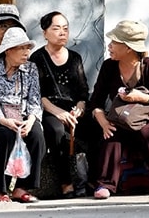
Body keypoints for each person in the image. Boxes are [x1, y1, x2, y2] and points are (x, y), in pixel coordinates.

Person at [89, 20, 149, 199]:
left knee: (147, 131)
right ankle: (105, 185)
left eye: (114, 42)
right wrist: (103, 121)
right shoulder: (109, 66)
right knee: (112, 133)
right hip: (121, 119)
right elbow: (96, 101)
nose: (109, 46)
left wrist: (144, 98)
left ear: (129, 48)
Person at [29, 11, 90, 198]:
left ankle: (96, 179)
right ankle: (66, 182)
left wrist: (79, 109)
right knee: (55, 131)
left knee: (95, 127)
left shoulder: (75, 58)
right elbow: (38, 94)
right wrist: (59, 114)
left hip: (73, 109)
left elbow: (82, 91)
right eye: (56, 28)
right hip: (49, 109)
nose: (62, 32)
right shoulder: (37, 58)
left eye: (65, 28)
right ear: (44, 33)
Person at [0, 27, 45, 203]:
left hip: (24, 115)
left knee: (37, 136)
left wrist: (31, 121)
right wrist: (5, 121)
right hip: (0, 117)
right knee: (8, 137)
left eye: (28, 48)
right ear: (9, 50)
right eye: (22, 48)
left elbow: (35, 100)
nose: (27, 52)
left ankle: (22, 188)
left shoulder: (31, 69)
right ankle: (1, 190)